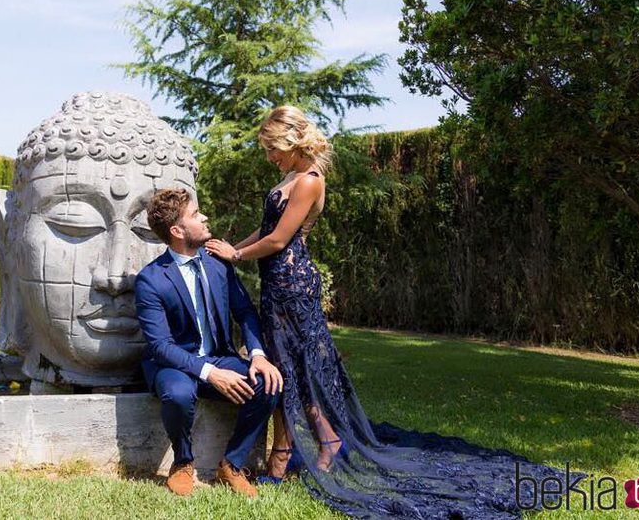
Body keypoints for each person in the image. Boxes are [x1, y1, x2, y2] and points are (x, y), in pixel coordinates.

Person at [205, 105, 573, 518]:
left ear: (291, 142)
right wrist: (231, 247)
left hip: (293, 286)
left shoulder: (309, 181)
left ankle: (312, 447)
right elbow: (266, 229)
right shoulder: (287, 178)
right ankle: (295, 449)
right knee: (284, 370)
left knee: (299, 371)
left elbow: (279, 241)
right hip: (276, 286)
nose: (270, 156)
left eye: (273, 148)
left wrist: (236, 254)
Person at [135, 188, 284, 498]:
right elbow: (161, 346)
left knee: (269, 383)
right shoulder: (151, 279)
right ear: (177, 231)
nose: (204, 217)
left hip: (220, 356)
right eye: (195, 215)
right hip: (174, 363)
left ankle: (232, 464)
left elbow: (245, 312)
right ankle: (183, 463)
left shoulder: (218, 264)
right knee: (177, 393)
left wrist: (257, 354)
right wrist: (209, 373)